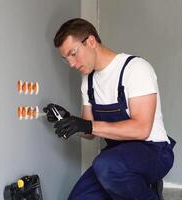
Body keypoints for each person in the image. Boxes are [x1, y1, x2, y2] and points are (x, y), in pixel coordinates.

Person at [43, 18, 175, 200]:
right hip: (115, 157)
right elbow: (89, 131)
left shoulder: (135, 69)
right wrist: (70, 120)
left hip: (153, 150)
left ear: (90, 41)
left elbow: (141, 129)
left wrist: (87, 125)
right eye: (66, 60)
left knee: (106, 165)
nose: (72, 64)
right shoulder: (88, 80)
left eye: (73, 54)